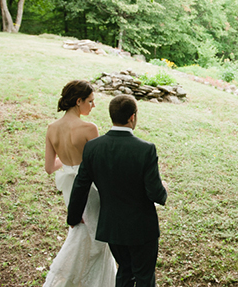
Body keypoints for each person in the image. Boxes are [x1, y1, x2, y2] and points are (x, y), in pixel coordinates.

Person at [67, 94, 168, 287]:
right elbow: (155, 193)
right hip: (142, 228)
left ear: (112, 116)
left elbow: (81, 185)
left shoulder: (93, 148)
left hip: (112, 226)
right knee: (144, 277)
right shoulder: (145, 149)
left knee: (125, 271)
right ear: (132, 117)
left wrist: (73, 217)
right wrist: (163, 190)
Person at [44, 80, 117, 286]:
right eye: (91, 101)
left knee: (80, 232)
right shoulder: (88, 128)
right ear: (79, 101)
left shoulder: (52, 128)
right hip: (89, 188)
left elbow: (50, 167)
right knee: (97, 239)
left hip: (70, 189)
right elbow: (99, 167)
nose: (93, 106)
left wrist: (69, 163)